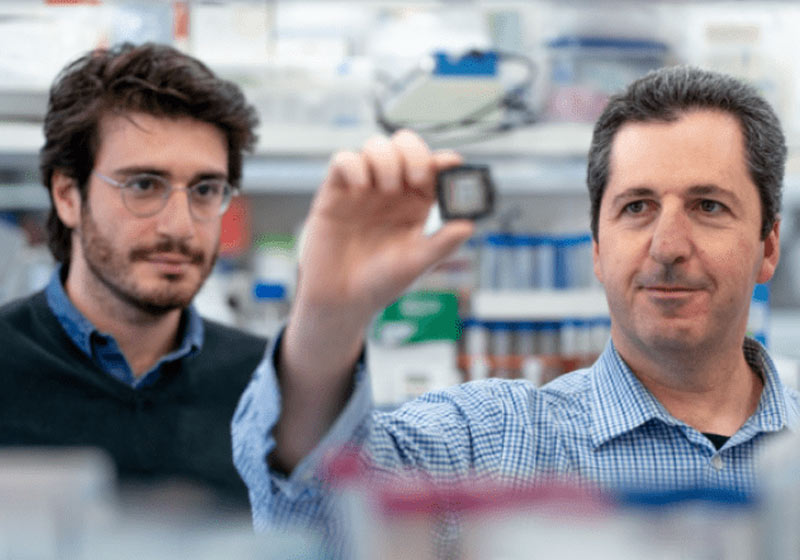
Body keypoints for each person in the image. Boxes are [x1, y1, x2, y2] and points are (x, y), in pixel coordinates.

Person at [232, 65, 799, 539]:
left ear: (768, 247)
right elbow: (318, 511)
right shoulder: (494, 442)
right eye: (637, 207)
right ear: (598, 250)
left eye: (708, 206)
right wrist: (326, 322)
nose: (668, 246)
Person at [0, 43, 267, 507]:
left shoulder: (267, 386)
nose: (180, 226)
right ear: (67, 196)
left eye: (205, 189)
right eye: (143, 185)